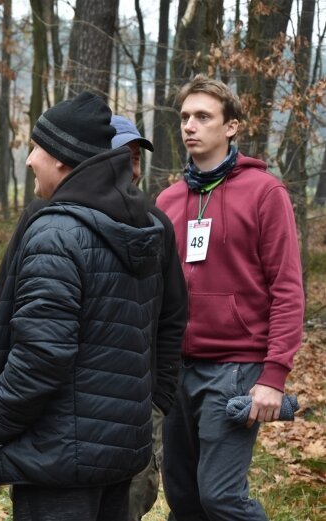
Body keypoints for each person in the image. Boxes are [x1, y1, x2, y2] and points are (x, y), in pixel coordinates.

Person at [0, 92, 170, 521]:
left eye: (36, 149)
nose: (29, 161)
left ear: (62, 158)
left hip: (58, 458)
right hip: (119, 451)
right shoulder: (141, 224)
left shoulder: (57, 234)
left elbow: (42, 355)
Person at [156, 74, 304, 520]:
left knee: (219, 496)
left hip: (236, 370)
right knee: (182, 499)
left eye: (203, 116)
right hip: (176, 371)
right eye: (185, 117)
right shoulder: (167, 201)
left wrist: (273, 375)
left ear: (232, 126)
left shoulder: (265, 193)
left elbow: (287, 287)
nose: (190, 126)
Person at [111, 115, 187, 520]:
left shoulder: (157, 224)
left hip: (141, 404)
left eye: (137, 157)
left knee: (133, 500)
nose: (133, 167)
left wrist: (160, 396)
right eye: (123, 156)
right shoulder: (58, 219)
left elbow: (174, 315)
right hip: (77, 409)